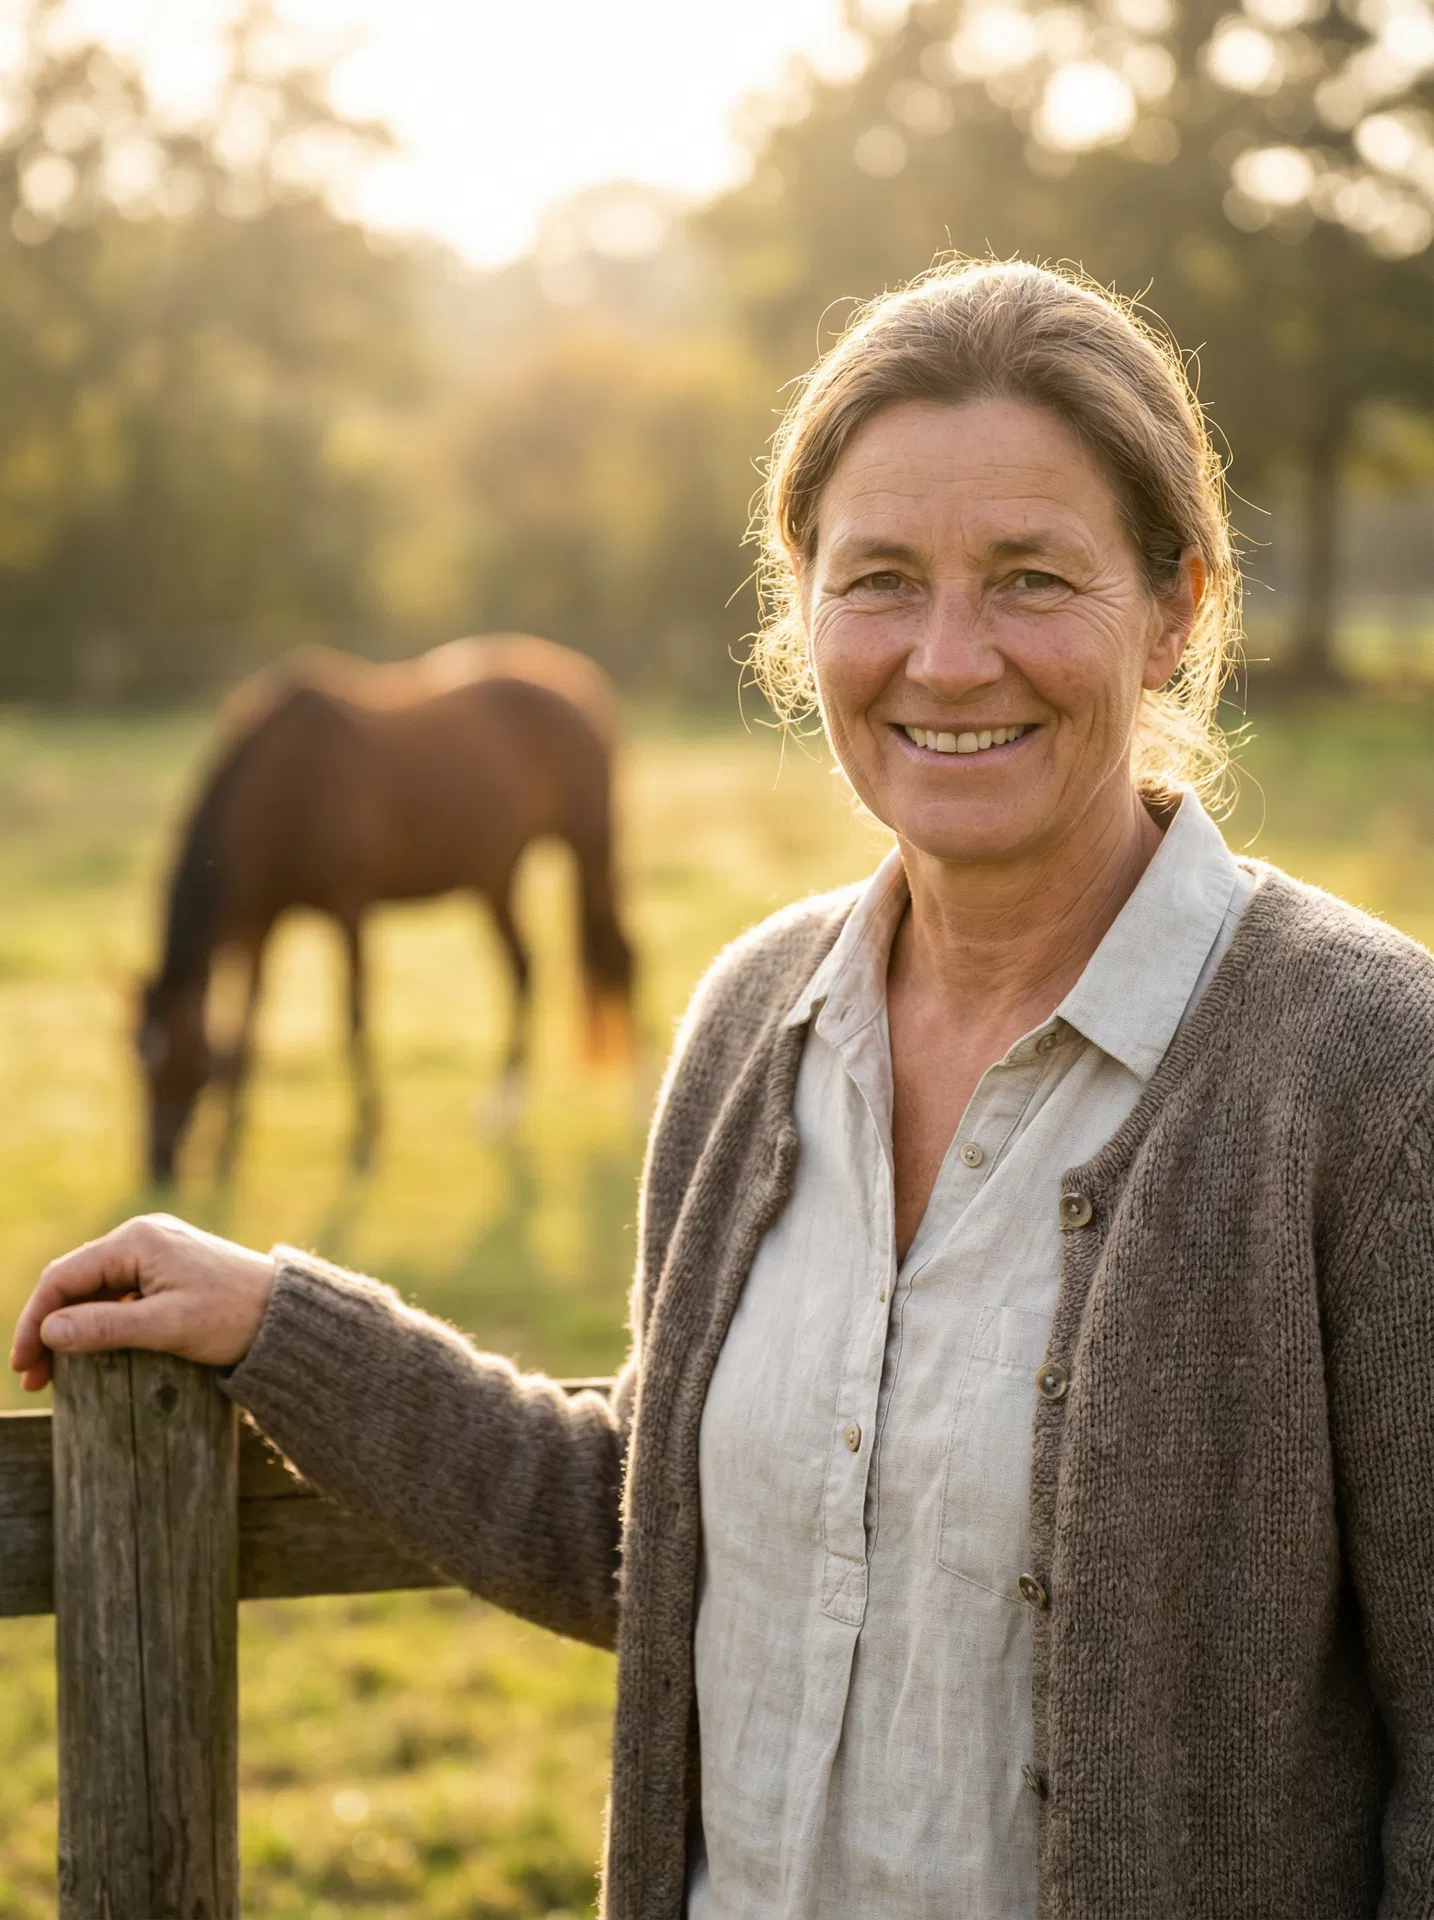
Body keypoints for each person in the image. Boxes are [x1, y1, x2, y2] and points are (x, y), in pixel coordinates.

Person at [12, 259, 1434, 1920]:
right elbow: (650, 1527)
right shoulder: (759, 1023)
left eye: (1034, 579)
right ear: (801, 609)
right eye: (881, 579)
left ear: (1177, 606)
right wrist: (278, 1323)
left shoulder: (1363, 1075)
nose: (949, 657)